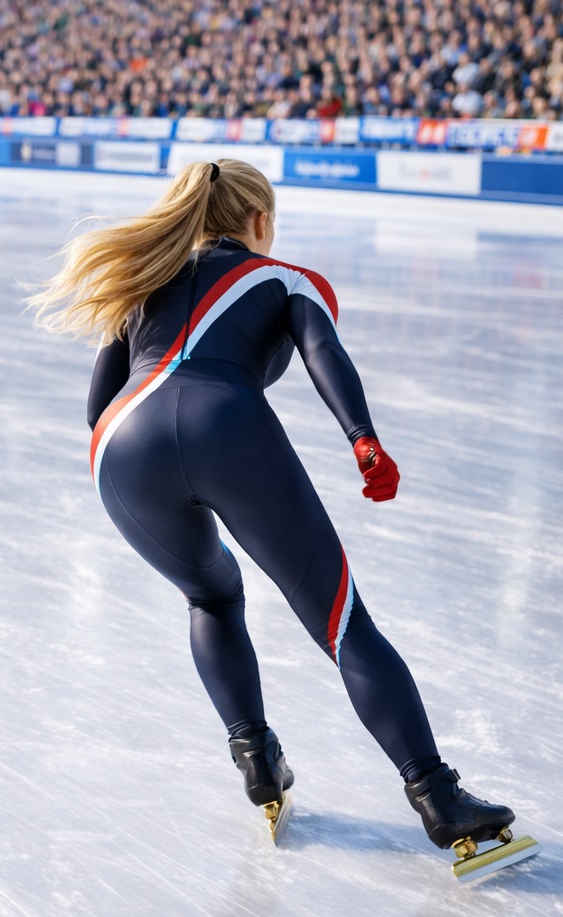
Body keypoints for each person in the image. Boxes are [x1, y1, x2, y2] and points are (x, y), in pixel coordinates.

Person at [26, 159, 518, 856]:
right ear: (260, 221)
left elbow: (93, 408)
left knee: (211, 596)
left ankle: (256, 756)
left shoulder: (138, 285)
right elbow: (323, 350)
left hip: (119, 445)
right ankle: (437, 795)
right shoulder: (284, 277)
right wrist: (364, 440)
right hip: (226, 424)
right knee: (342, 622)